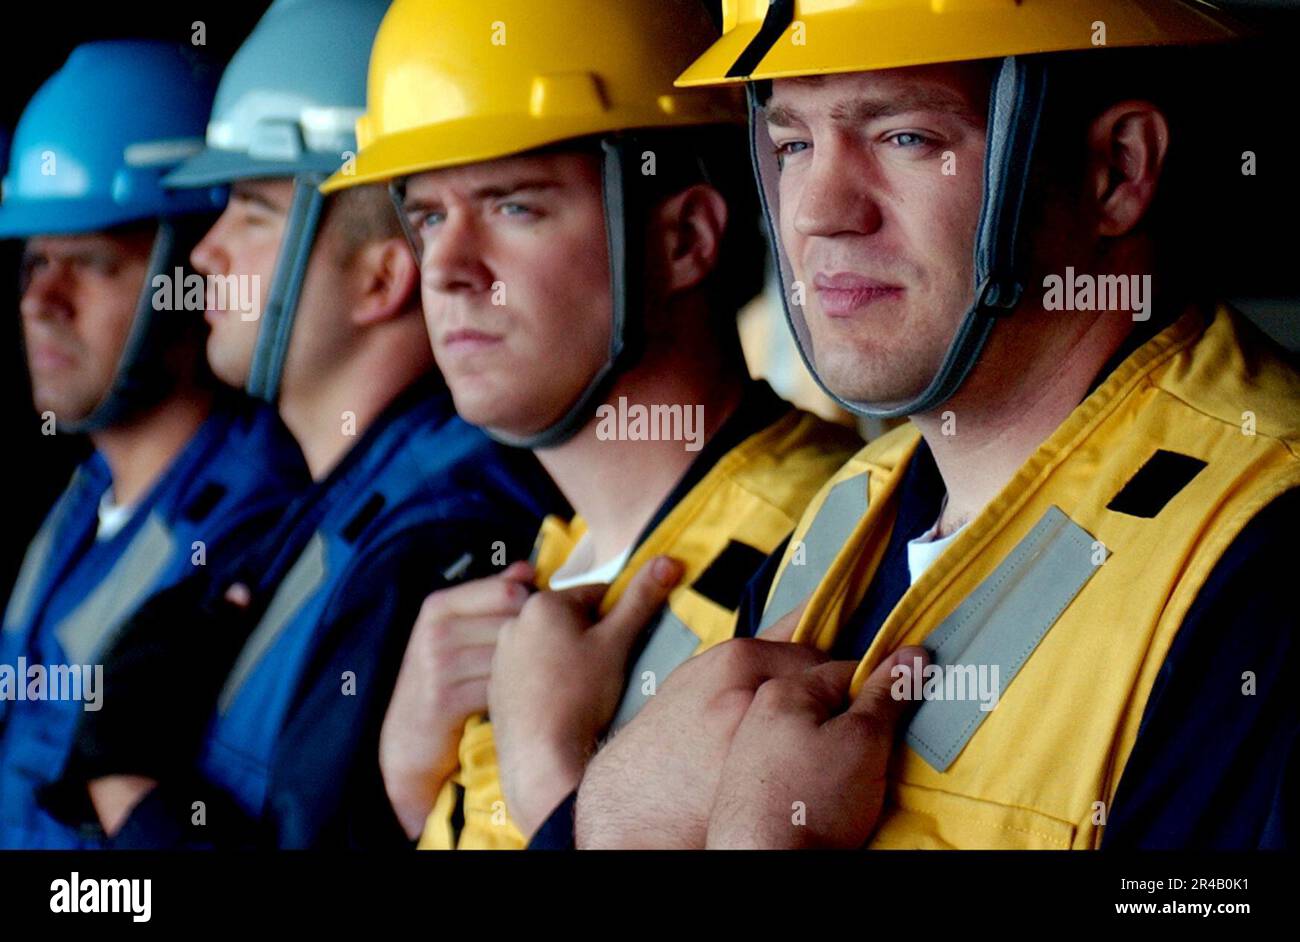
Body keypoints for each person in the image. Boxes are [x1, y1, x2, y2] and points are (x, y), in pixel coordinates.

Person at [572, 0, 1299, 849]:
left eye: (904, 137)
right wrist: (613, 810)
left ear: (1115, 170)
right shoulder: (851, 503)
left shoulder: (1261, 560)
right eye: (793, 145)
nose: (817, 212)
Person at [321, 0, 862, 848]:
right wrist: (406, 791)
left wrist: (551, 780)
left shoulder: (831, 547)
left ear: (684, 238)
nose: (450, 270)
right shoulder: (537, 561)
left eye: (513, 207)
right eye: (428, 218)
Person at [43, 0, 566, 849]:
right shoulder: (326, 501)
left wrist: (122, 781)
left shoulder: (443, 533)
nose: (205, 253)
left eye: (252, 212)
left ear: (381, 279)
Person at [0, 40, 310, 849]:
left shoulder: (257, 524)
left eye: (91, 262)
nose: (42, 302)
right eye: (34, 263)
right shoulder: (82, 501)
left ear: (191, 268)